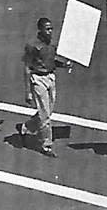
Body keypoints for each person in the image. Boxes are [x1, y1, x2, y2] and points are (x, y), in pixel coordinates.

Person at [18, 17, 72, 157]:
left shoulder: (52, 45)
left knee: (47, 112)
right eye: (47, 29)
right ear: (40, 30)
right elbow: (27, 68)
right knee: (45, 115)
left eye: (51, 29)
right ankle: (46, 145)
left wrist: (64, 64)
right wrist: (27, 91)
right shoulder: (33, 46)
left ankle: (26, 128)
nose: (50, 32)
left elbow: (51, 61)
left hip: (51, 78)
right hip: (38, 79)